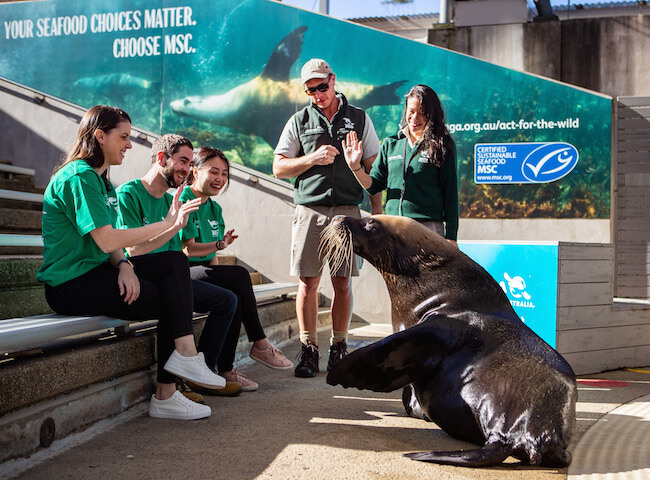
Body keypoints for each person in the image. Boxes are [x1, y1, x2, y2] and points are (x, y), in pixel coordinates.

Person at [36, 105, 223, 421]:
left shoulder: (101, 180)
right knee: (171, 294)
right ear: (99, 135)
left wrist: (124, 265)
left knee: (174, 263)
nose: (129, 145)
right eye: (123, 137)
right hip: (69, 285)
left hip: (96, 271)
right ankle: (171, 386)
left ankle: (180, 369)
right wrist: (167, 223)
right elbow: (107, 239)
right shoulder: (78, 177)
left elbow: (110, 246)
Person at [273, 59, 381, 378]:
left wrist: (377, 214)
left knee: (342, 283)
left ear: (333, 80)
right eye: (310, 90)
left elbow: (374, 170)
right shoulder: (298, 121)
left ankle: (339, 347)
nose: (318, 94)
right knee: (308, 282)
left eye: (322, 86)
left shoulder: (359, 118)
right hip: (310, 210)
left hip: (348, 210)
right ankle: (309, 350)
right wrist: (312, 159)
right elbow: (279, 167)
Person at [115, 134, 241, 397]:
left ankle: (201, 371)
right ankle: (172, 385)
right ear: (161, 158)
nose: (187, 169)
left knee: (227, 299)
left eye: (189, 162)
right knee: (173, 286)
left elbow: (175, 254)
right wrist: (172, 225)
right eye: (183, 161)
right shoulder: (128, 194)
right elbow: (131, 252)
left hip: (169, 277)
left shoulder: (170, 202)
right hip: (138, 277)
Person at [179, 147, 293, 391]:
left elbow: (212, 259)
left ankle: (223, 369)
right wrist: (219, 244)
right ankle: (260, 343)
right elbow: (187, 250)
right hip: (180, 273)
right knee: (240, 275)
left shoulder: (214, 209)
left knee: (235, 295)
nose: (220, 178)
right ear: (195, 171)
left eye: (224, 173)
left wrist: (220, 262)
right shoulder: (182, 199)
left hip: (203, 273)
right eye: (214, 172)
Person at [342, 84, 459, 245]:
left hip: (428, 229)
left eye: (421, 112)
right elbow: (373, 186)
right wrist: (355, 166)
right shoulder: (391, 143)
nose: (414, 118)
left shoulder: (443, 144)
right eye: (411, 111)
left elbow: (451, 195)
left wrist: (451, 237)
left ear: (431, 114)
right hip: (393, 228)